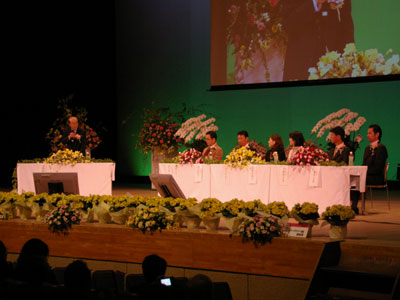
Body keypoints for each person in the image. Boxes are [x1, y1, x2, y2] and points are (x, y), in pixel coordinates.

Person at [282, 0, 354, 81]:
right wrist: (314, 3)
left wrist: (348, 58)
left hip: (335, 64)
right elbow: (288, 24)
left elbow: (347, 25)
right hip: (302, 64)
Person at [350, 124, 388, 214]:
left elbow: (379, 167)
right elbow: (364, 164)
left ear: (377, 134)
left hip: (377, 177)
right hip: (367, 175)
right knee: (352, 178)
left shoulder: (381, 148)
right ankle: (353, 205)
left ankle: (354, 206)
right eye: (367, 133)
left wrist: (364, 172)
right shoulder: (367, 148)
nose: (367, 135)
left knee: (358, 180)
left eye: (370, 133)